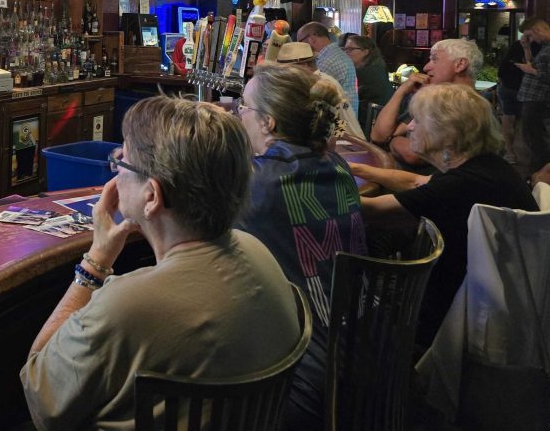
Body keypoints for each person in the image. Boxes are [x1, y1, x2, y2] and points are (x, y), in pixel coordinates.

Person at [21, 96, 300, 430]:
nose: (116, 169)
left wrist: (95, 261)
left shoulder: (127, 305)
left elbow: (39, 392)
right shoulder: (258, 252)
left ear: (151, 196)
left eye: (122, 160)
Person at [234, 62, 366, 431]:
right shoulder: (338, 166)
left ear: (268, 122)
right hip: (366, 364)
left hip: (300, 383)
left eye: (243, 108)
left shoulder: (257, 182)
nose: (238, 115)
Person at [360, 84, 537, 347]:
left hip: (458, 322)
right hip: (500, 303)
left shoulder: (461, 184)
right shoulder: (484, 166)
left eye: (417, 121)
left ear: (447, 133)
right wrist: (356, 168)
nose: (409, 127)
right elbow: (416, 183)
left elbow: (373, 212)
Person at [369, 38, 482, 169]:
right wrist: (401, 91)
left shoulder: (467, 106)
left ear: (460, 64)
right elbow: (378, 136)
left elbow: (414, 155)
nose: (426, 67)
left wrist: (392, 142)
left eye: (435, 59)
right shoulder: (435, 99)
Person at [275, 41, 365, 139]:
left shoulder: (324, 84)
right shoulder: (303, 83)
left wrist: (338, 142)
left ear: (304, 65)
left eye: (286, 69)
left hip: (343, 144)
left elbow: (341, 120)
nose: (283, 74)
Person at [297, 21, 359, 117]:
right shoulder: (332, 53)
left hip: (342, 123)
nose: (300, 46)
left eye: (300, 42)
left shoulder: (327, 61)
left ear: (312, 38)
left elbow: (312, 96)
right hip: (346, 116)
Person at [516, 17, 550, 171]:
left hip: (537, 98)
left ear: (538, 30)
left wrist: (531, 71)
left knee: (534, 136)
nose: (531, 39)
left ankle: (539, 171)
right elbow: (534, 63)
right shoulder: (545, 47)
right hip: (532, 97)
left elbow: (545, 75)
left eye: (530, 35)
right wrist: (526, 47)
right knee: (531, 135)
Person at [497, 24, 534, 164]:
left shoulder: (523, 46)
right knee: (517, 120)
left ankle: (512, 152)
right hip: (515, 87)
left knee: (511, 119)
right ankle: (515, 152)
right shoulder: (531, 46)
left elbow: (505, 64)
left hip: (513, 87)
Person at [342, 34, 394, 130]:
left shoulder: (365, 73)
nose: (345, 53)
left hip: (369, 126)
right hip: (377, 120)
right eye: (344, 49)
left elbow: (346, 102)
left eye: (350, 49)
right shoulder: (378, 67)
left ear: (365, 51)